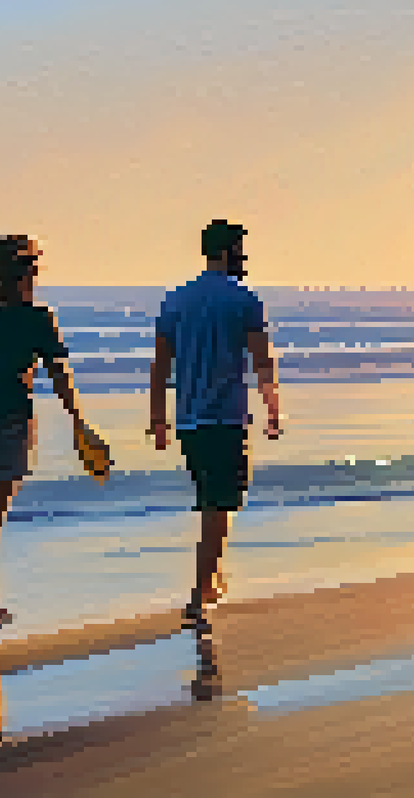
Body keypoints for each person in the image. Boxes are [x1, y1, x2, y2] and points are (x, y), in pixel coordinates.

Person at [0, 234, 92, 641]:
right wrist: (79, 420)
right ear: (22, 271)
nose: (36, 276)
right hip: (9, 424)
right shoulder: (37, 317)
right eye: (32, 268)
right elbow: (59, 374)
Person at [150, 220, 282, 629]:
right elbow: (261, 360)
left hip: (190, 420)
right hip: (225, 417)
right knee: (219, 504)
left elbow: (160, 366)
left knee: (213, 500)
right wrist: (273, 406)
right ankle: (200, 591)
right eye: (240, 250)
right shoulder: (243, 299)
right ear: (227, 252)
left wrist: (159, 418)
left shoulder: (176, 300)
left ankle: (211, 577)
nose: (244, 258)